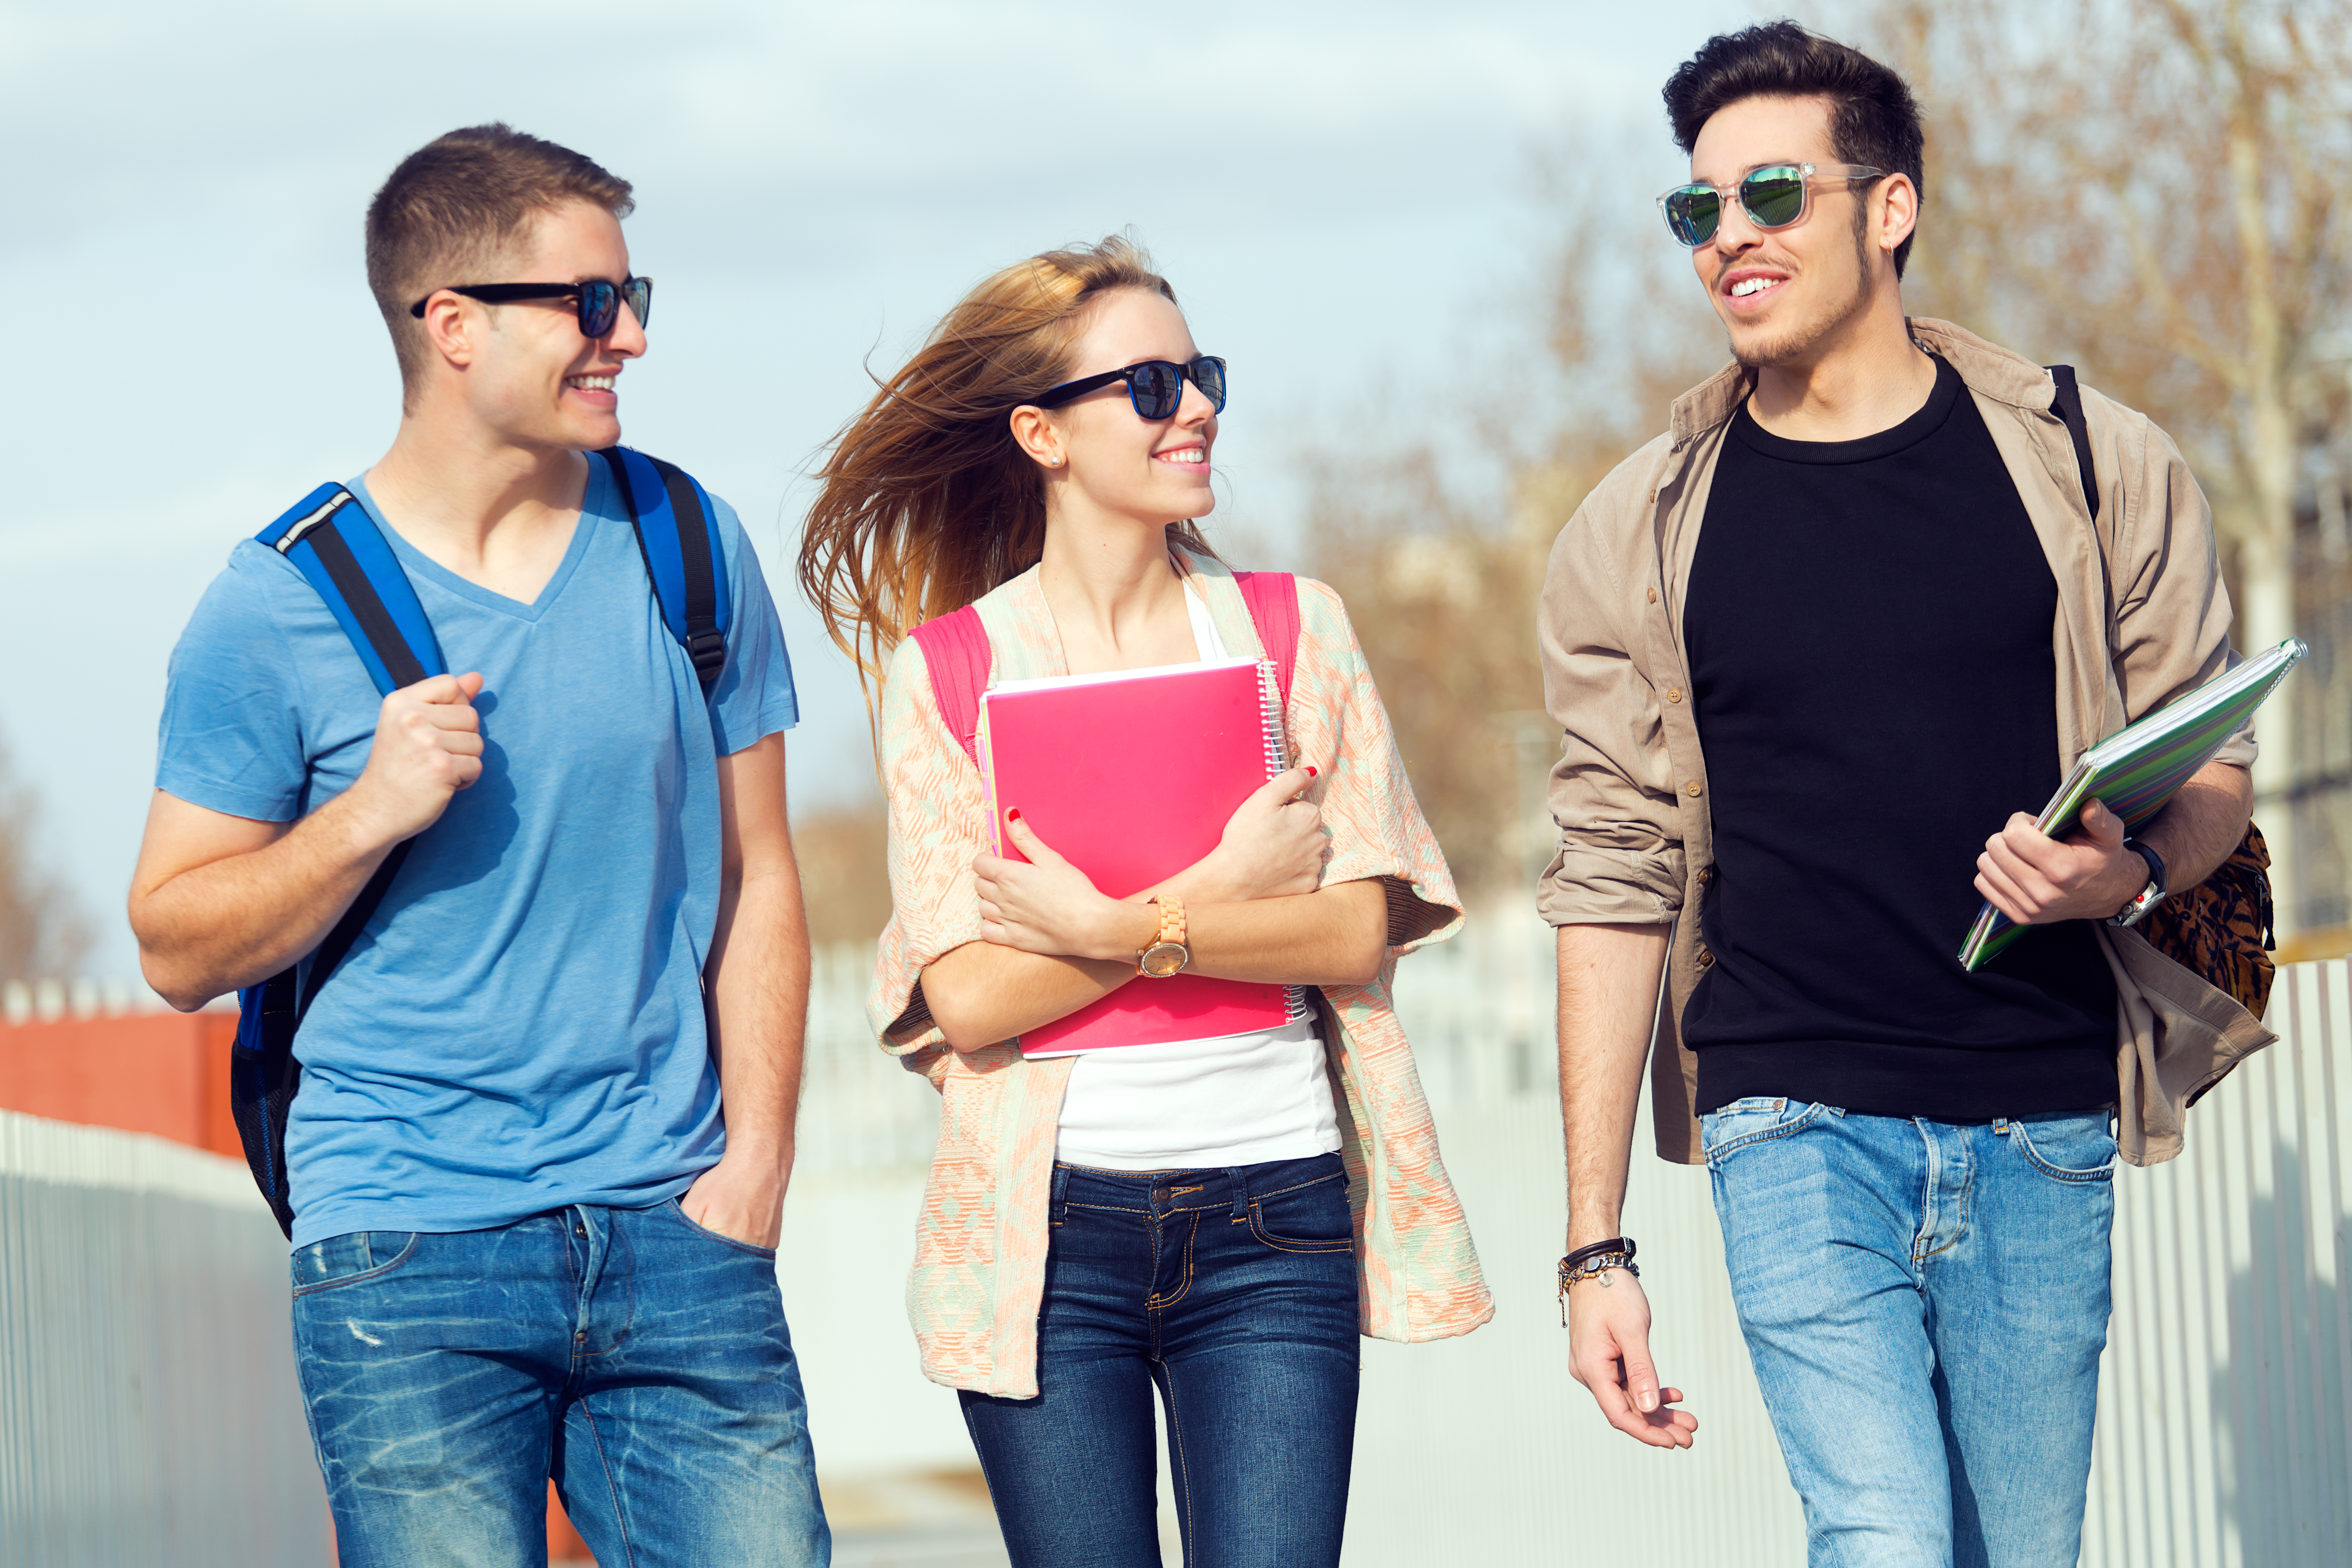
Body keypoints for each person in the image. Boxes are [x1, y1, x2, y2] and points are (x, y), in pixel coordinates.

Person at [1539, 23, 2269, 1567]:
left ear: (1890, 208)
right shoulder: (1639, 530)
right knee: (1882, 1536)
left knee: (2018, 1553)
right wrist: (1593, 1244)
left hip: (2045, 1115)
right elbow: (1610, 877)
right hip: (1790, 1111)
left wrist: (2123, 875)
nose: (1730, 236)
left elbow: (2212, 770)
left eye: (1774, 196)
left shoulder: (2093, 465)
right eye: (1701, 211)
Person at [127, 125, 828, 1567]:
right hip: (406, 1248)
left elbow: (760, 873)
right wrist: (365, 812)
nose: (624, 336)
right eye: (585, 303)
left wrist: (755, 1163)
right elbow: (173, 946)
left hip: (677, 1228)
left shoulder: (688, 543)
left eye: (634, 298)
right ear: (449, 323)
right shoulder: (283, 604)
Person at [799, 236, 1491, 1568]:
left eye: (1203, 374)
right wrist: (1227, 893)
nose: (1201, 409)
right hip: (1046, 1238)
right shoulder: (945, 677)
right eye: (1155, 385)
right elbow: (975, 996)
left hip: (1275, 1220)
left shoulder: (1299, 631)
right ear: (1040, 436)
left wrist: (1110, 928)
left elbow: (1355, 925)